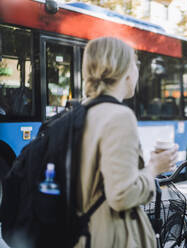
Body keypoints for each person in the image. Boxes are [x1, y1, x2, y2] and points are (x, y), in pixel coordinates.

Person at [75, 37, 178, 248]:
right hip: (111, 238)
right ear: (126, 70)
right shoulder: (120, 116)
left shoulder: (79, 113)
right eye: (136, 64)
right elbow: (122, 194)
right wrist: (154, 168)